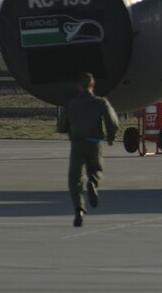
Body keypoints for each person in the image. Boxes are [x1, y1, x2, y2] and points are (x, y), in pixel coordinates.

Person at [56, 72, 119, 227]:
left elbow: (62, 126)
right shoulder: (100, 102)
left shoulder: (71, 104)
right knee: (96, 170)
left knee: (74, 180)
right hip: (94, 143)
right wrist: (111, 137)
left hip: (77, 144)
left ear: (79, 86)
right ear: (93, 85)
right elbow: (113, 122)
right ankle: (93, 182)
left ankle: (79, 210)